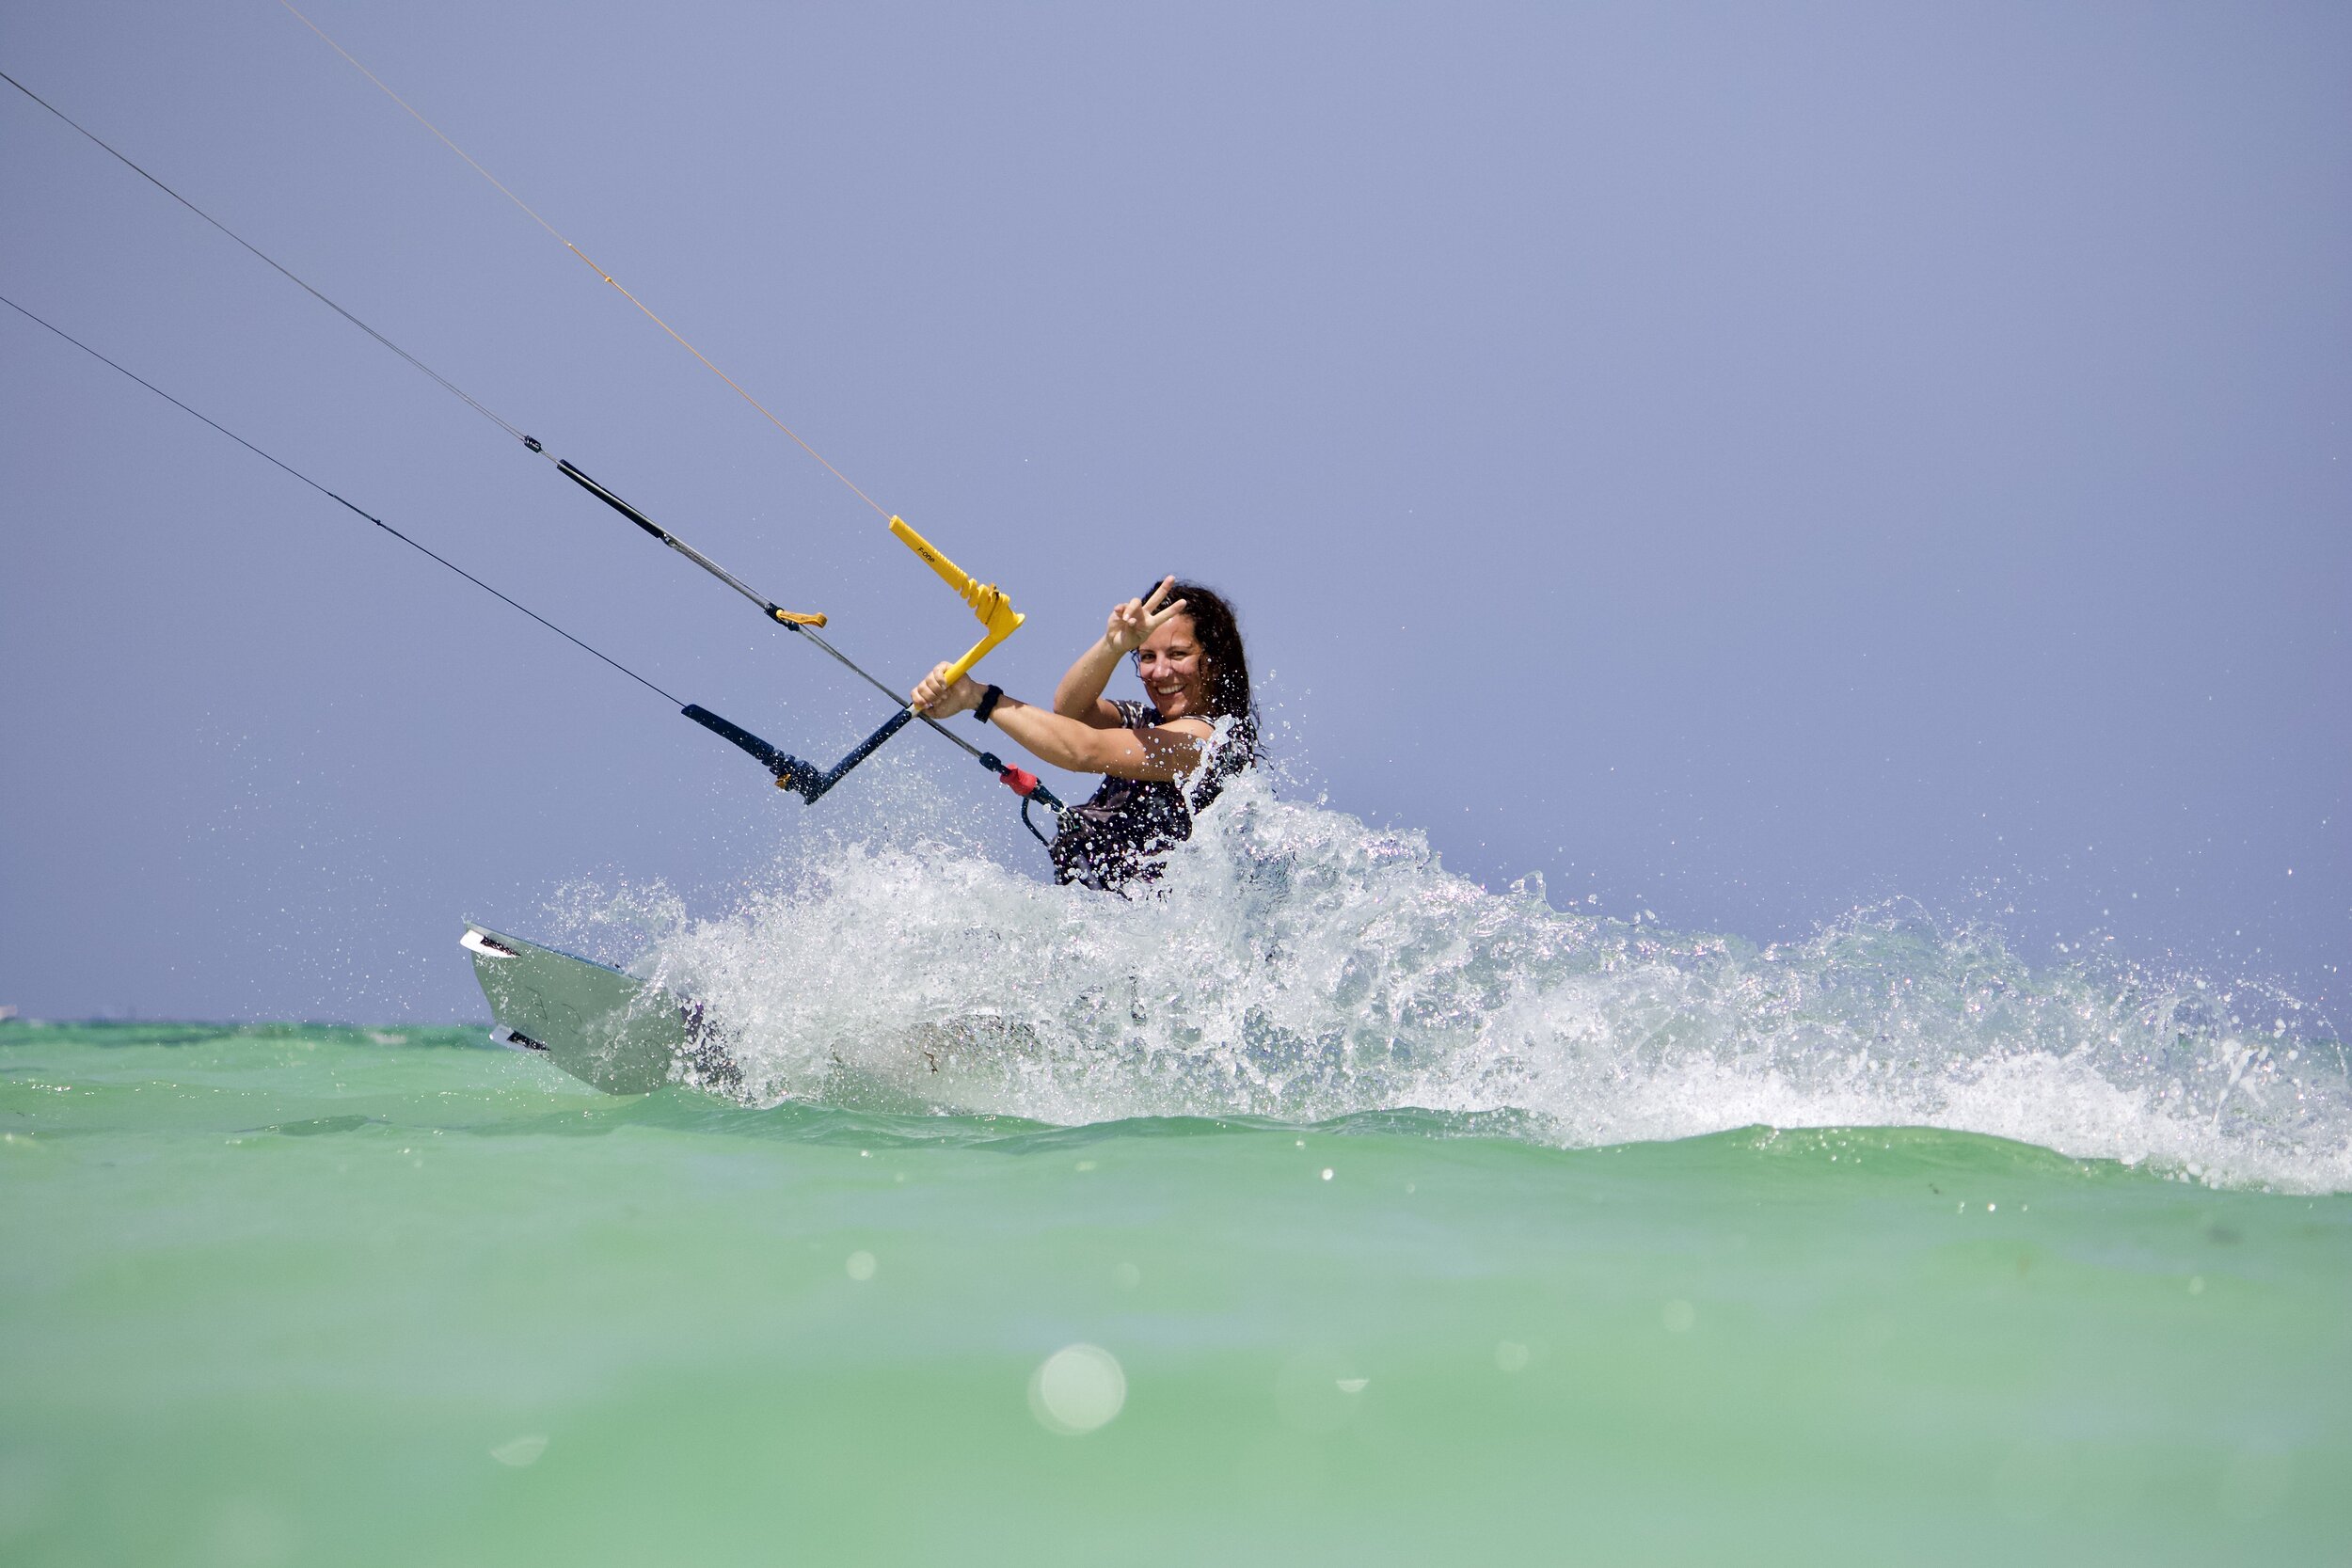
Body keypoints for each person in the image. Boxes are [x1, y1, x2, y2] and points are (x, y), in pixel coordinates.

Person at [911, 577, 1257, 891]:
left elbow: (1083, 750)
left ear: (1214, 662)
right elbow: (1070, 711)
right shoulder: (1145, 721)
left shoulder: (1208, 743)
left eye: (1178, 654)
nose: (1160, 672)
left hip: (1150, 928)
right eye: (1148, 656)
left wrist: (980, 698)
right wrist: (1113, 645)